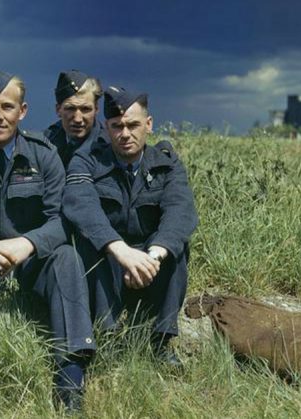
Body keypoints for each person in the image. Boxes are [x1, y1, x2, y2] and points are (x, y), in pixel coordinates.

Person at [0, 70, 95, 414]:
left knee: (67, 257)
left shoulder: (44, 155)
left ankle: (70, 378)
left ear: (22, 111)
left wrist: (28, 244)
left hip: (28, 264)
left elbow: (60, 221)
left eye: (7, 107)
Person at [62, 86, 198, 368]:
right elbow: (81, 205)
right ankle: (107, 337)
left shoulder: (166, 163)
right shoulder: (87, 161)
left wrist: (152, 258)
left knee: (177, 246)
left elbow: (180, 211)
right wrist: (121, 252)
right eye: (117, 126)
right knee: (90, 241)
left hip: (150, 265)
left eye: (133, 125)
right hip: (109, 264)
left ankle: (160, 341)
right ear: (106, 127)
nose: (125, 134)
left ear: (148, 124)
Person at [44, 70, 108, 168]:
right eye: (70, 108)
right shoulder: (44, 144)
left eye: (85, 109)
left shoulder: (110, 148)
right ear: (58, 110)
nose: (78, 119)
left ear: (96, 109)